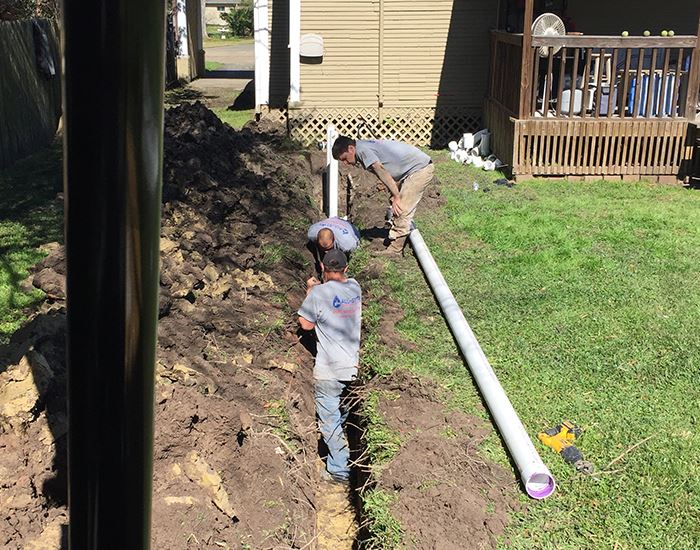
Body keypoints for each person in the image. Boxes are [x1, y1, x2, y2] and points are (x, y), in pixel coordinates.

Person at [298, 249, 362, 484]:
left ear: (323, 269)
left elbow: (305, 324)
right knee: (341, 408)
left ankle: (339, 469)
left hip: (329, 371)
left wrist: (310, 291)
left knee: (329, 420)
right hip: (351, 368)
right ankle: (344, 442)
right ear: (346, 269)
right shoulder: (355, 287)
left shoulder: (318, 294)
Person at [332, 135, 434, 255]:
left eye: (344, 159)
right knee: (398, 204)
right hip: (411, 169)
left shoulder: (362, 150)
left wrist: (397, 196)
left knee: (402, 208)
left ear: (350, 149)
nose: (346, 163)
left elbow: (380, 169)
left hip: (419, 169)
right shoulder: (361, 146)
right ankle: (394, 238)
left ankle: (395, 249)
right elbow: (387, 170)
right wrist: (394, 192)